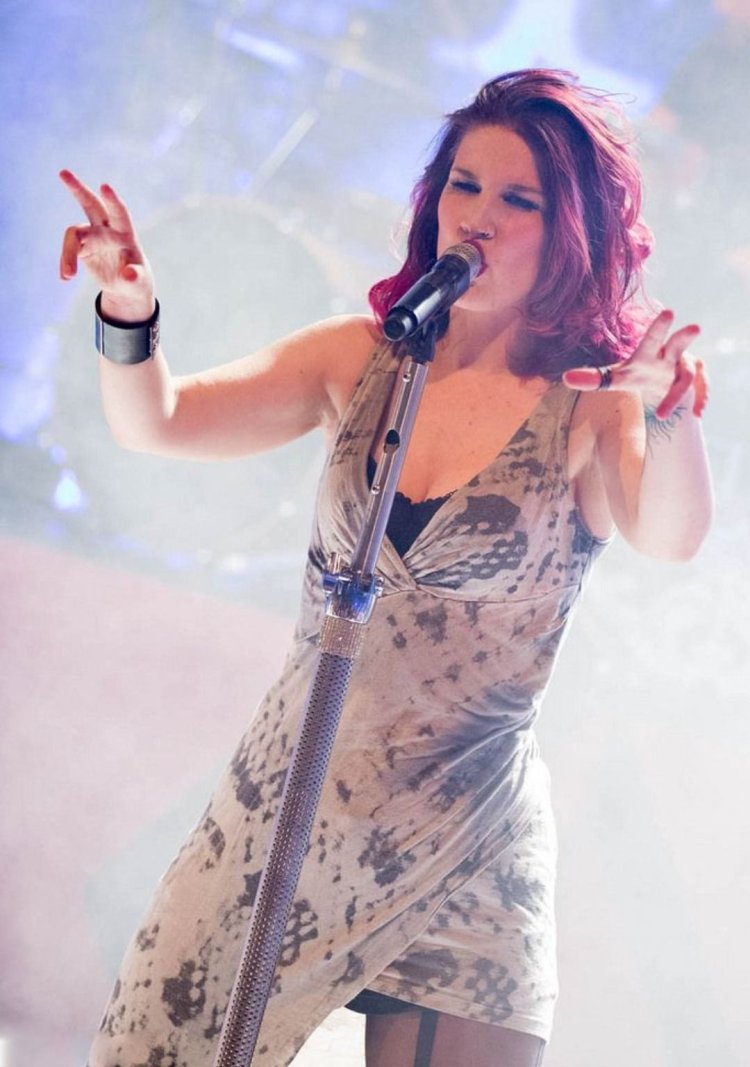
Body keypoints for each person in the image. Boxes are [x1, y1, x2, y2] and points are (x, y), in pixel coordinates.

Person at [59, 69, 712, 1067]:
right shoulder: (362, 355)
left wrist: (668, 416)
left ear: (573, 231)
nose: (477, 217)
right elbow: (161, 419)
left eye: (519, 199)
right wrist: (127, 305)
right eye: (463, 186)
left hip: (465, 842)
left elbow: (670, 536)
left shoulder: (591, 405)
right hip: (289, 808)